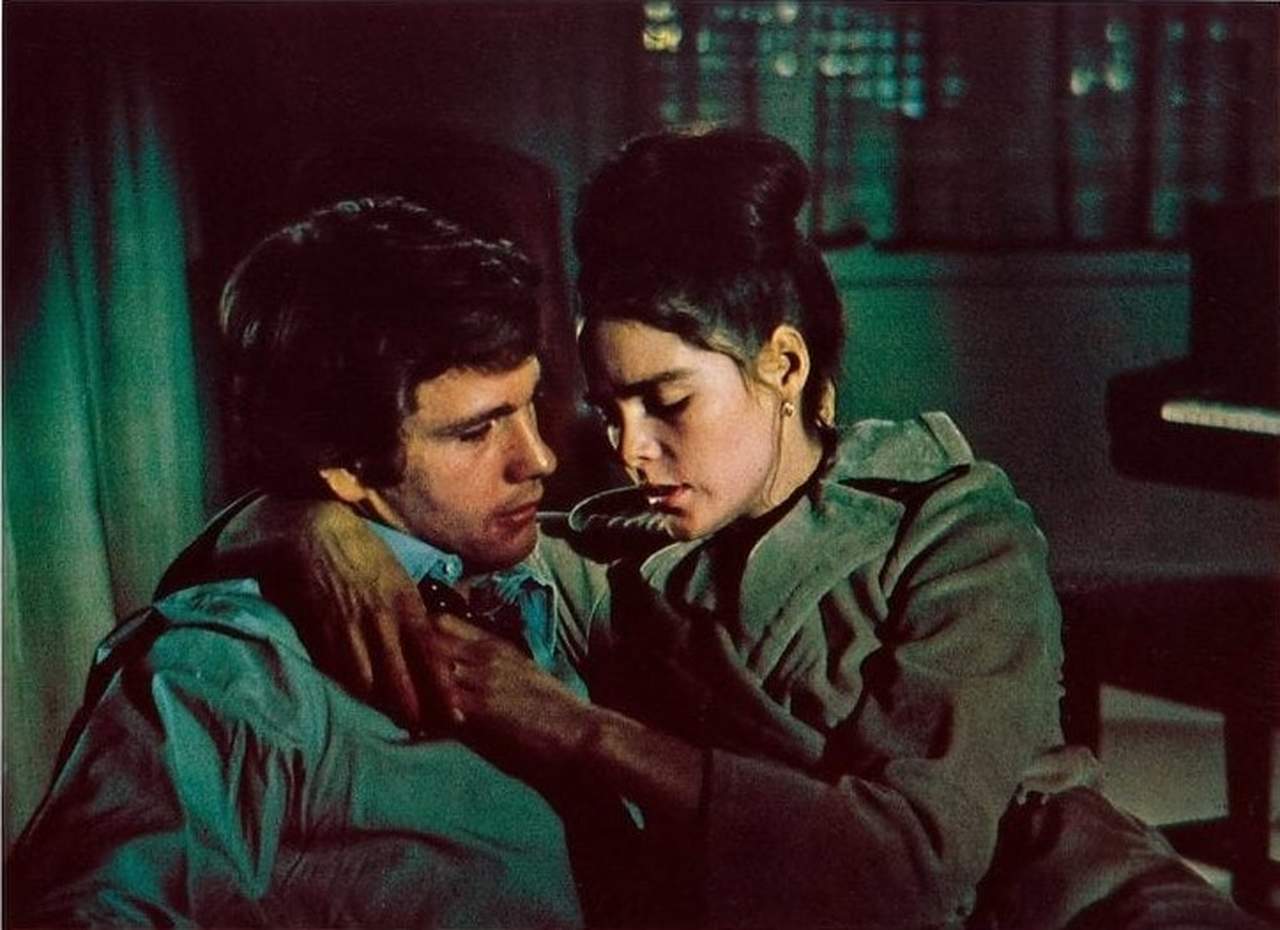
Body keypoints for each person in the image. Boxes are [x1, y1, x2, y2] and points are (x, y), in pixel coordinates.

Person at [186, 133, 1267, 929]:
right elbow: (413, 514)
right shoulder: (611, 551)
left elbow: (910, 874)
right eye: (609, 409)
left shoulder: (955, 528)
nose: (627, 449)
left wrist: (578, 731)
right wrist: (309, 523)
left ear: (783, 366)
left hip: (1057, 895)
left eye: (668, 403)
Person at [5, 198, 607, 928]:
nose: (537, 458)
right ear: (347, 468)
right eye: (476, 432)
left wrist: (282, 519)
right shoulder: (230, 671)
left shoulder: (558, 572)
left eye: (530, 403)